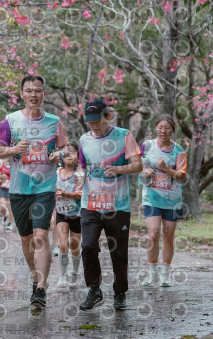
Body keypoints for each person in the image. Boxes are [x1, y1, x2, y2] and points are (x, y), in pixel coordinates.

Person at [0, 74, 68, 307]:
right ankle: (35, 278)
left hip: (45, 188)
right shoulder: (10, 121)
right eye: (29, 90)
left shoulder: (54, 122)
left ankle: (41, 288)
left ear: (43, 94)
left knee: (40, 235)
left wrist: (59, 155)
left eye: (37, 90)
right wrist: (14, 149)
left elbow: (67, 149)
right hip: (19, 189)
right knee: (26, 239)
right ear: (22, 94)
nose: (33, 94)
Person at [76, 97, 142, 311]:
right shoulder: (84, 140)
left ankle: (120, 292)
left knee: (119, 252)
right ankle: (94, 290)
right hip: (90, 204)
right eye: (90, 121)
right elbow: (82, 167)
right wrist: (79, 176)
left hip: (118, 206)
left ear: (107, 116)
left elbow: (138, 165)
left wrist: (119, 169)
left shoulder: (124, 136)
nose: (94, 125)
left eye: (98, 120)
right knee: (88, 246)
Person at [139, 114, 187, 287]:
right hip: (151, 197)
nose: (163, 131)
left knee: (168, 235)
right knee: (153, 233)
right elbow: (138, 165)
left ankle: (165, 273)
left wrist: (166, 168)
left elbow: (182, 176)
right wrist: (144, 171)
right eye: (160, 127)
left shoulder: (179, 150)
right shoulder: (147, 146)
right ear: (155, 128)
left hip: (172, 200)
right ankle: (152, 272)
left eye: (167, 128)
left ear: (172, 130)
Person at [54, 143, 83, 288]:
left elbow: (80, 194)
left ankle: (75, 272)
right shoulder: (56, 172)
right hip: (61, 214)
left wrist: (65, 194)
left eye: (72, 153)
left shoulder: (79, 175)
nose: (69, 155)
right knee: (63, 244)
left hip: (77, 215)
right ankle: (63, 276)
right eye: (66, 153)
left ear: (78, 156)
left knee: (74, 246)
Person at [0, 158, 14, 230]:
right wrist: (1, 176)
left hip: (12, 189)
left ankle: (10, 223)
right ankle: (5, 214)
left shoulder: (15, 162)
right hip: (3, 188)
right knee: (2, 206)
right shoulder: (1, 163)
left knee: (11, 207)